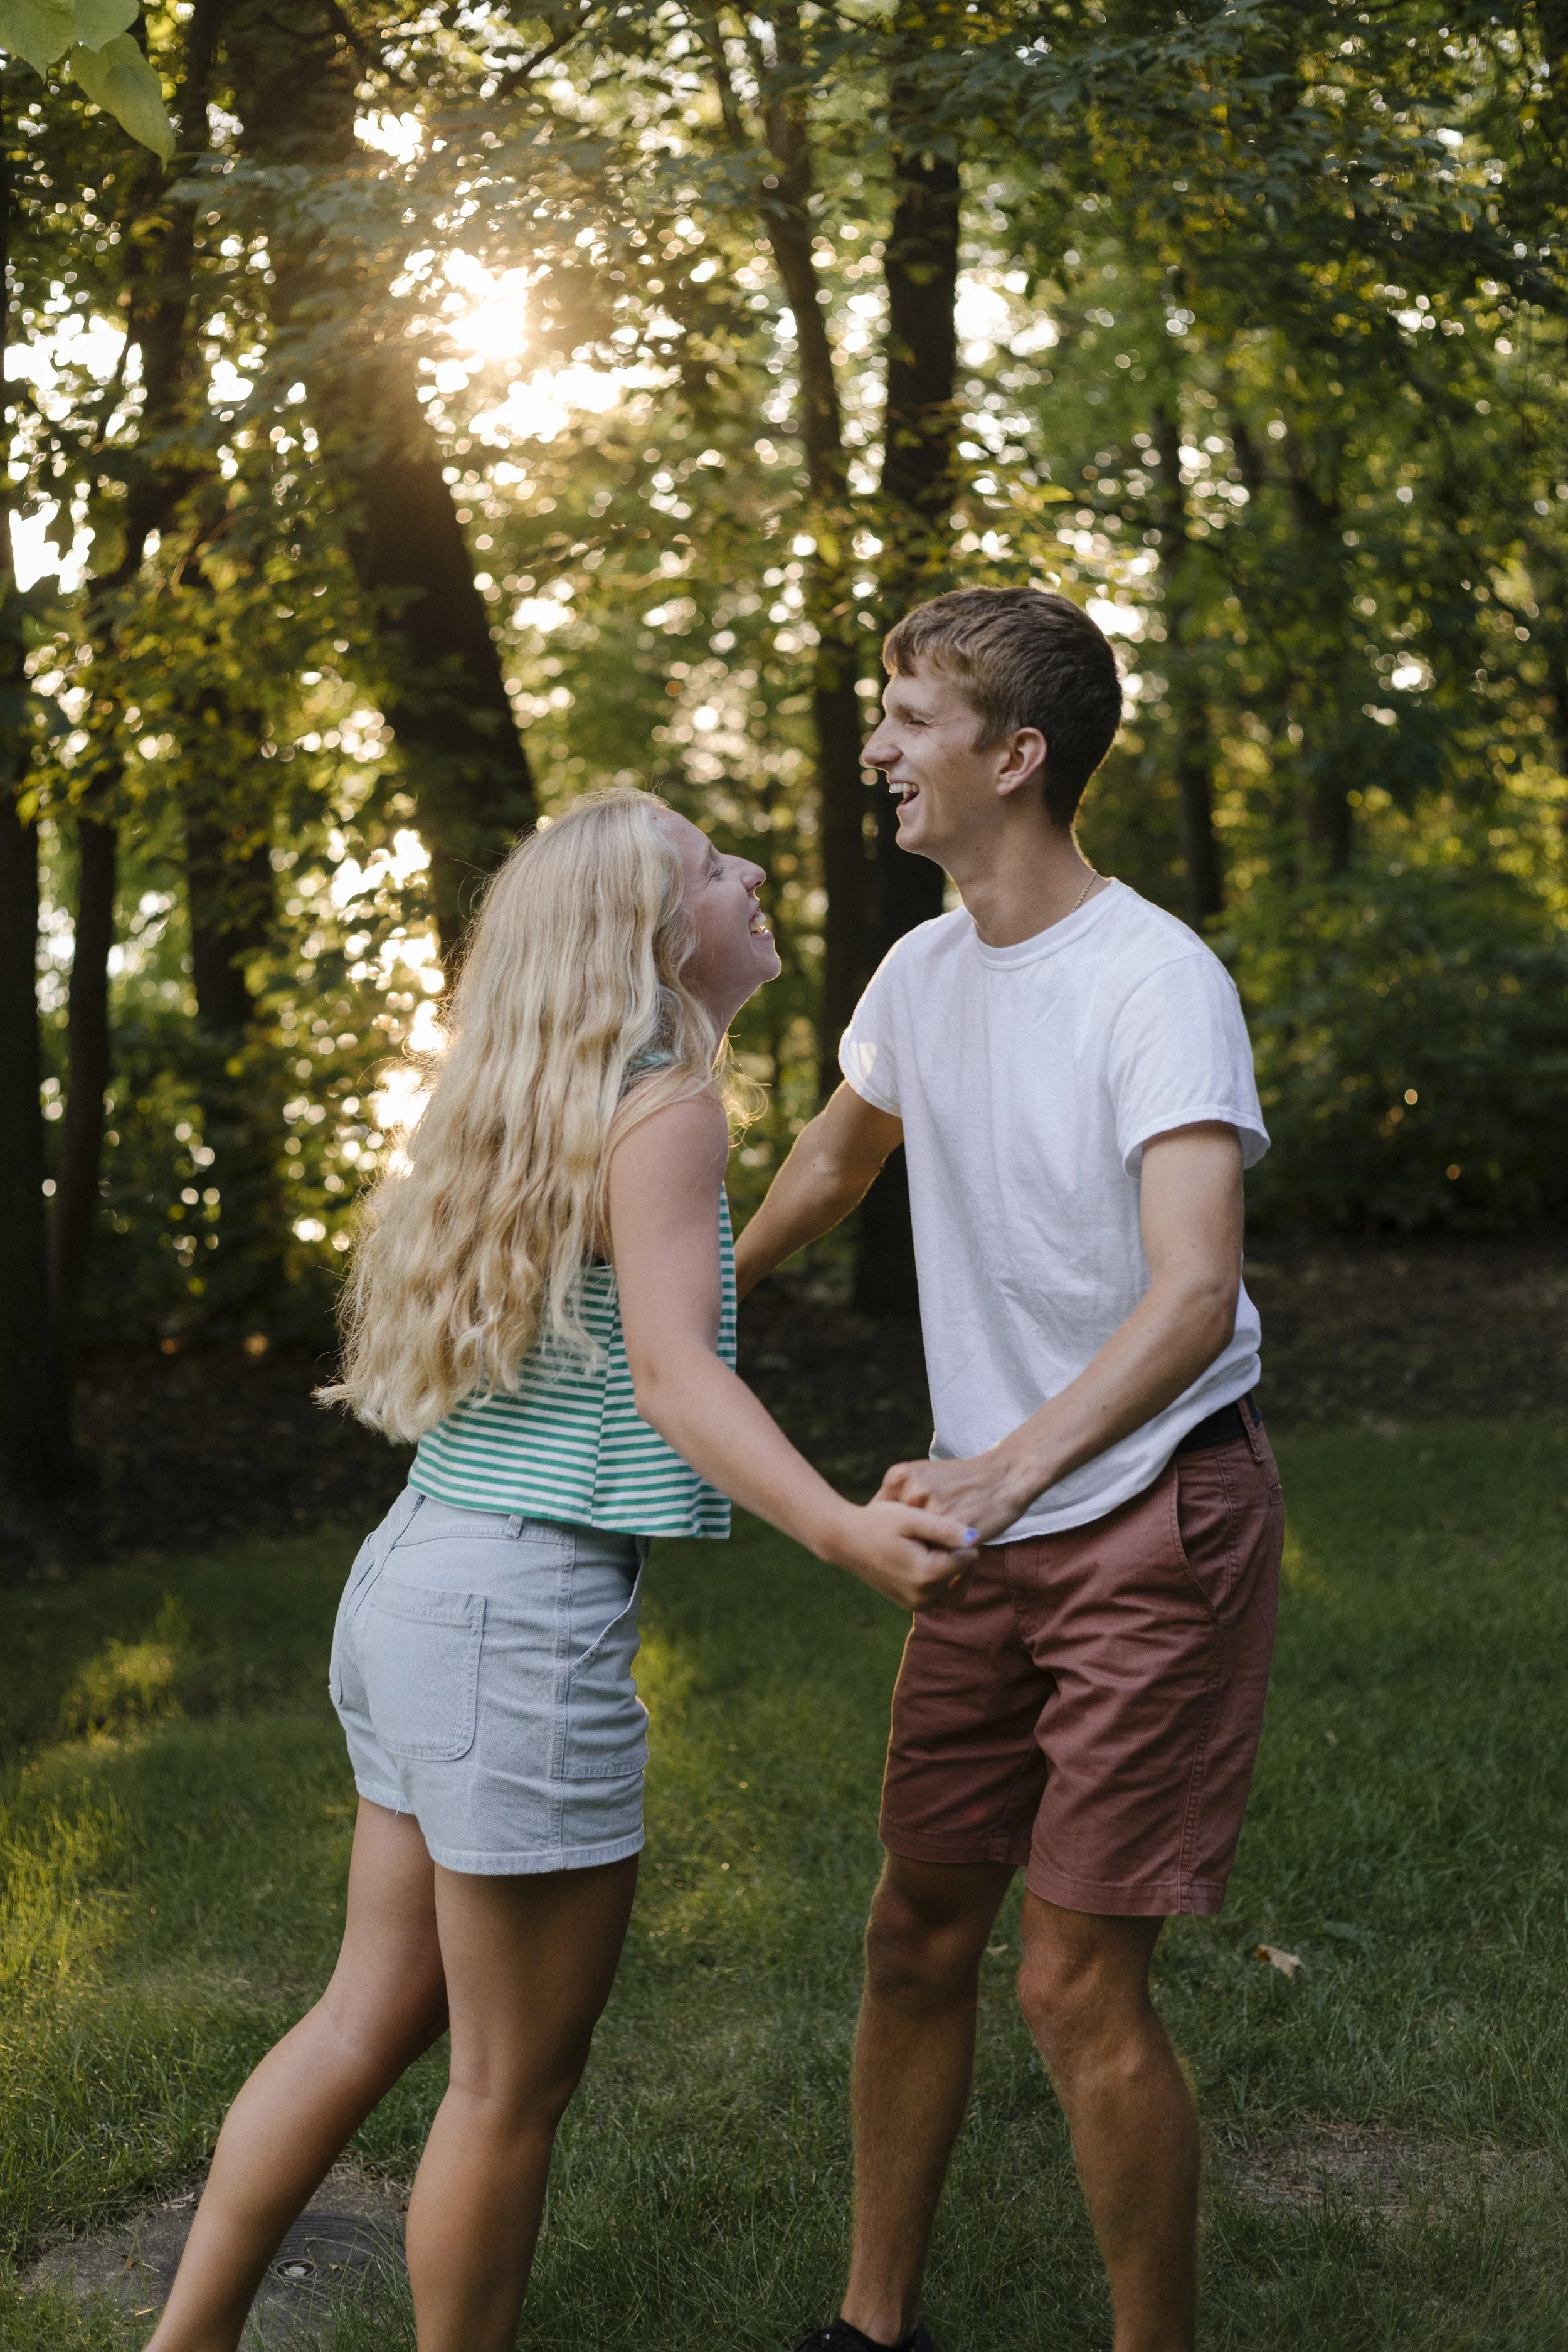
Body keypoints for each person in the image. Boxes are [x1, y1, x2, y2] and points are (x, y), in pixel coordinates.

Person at [142, 788, 975, 2352]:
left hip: (416, 1583)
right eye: (715, 867)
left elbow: (666, 1308)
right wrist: (843, 1528)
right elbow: (674, 1378)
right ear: (661, 940)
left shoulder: (549, 1098)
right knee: (506, 2083)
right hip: (512, 1622)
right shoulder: (665, 1105)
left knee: (366, 2016)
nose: (749, 873)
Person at [735, 588, 1284, 2352]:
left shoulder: (1152, 979)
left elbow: (1192, 1289)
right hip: (998, 1524)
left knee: (1070, 1976)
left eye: (904, 716)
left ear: (1014, 753)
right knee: (914, 1925)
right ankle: (867, 2325)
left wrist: (1006, 1466)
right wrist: (677, 1299)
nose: (875, 746)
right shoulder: (918, 969)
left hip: (1150, 1512)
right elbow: (835, 1157)